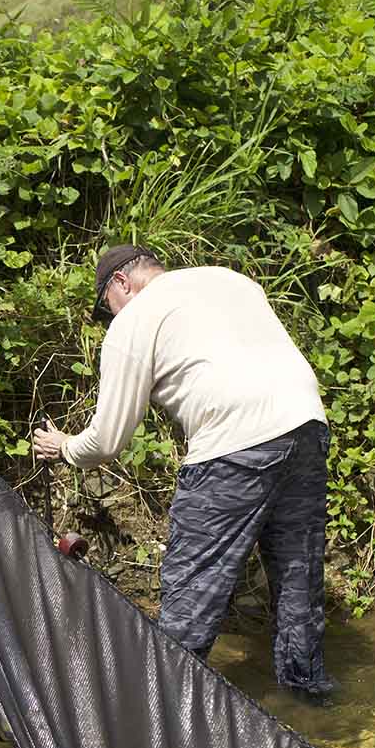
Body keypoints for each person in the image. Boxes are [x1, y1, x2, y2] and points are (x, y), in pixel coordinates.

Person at [32, 245, 332, 695]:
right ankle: (308, 697)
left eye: (105, 308)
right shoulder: (229, 278)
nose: (109, 318)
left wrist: (65, 447)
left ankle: (163, 718)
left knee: (193, 587)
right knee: (297, 572)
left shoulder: (133, 319)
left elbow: (109, 439)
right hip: (307, 424)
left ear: (120, 283)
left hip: (233, 445)